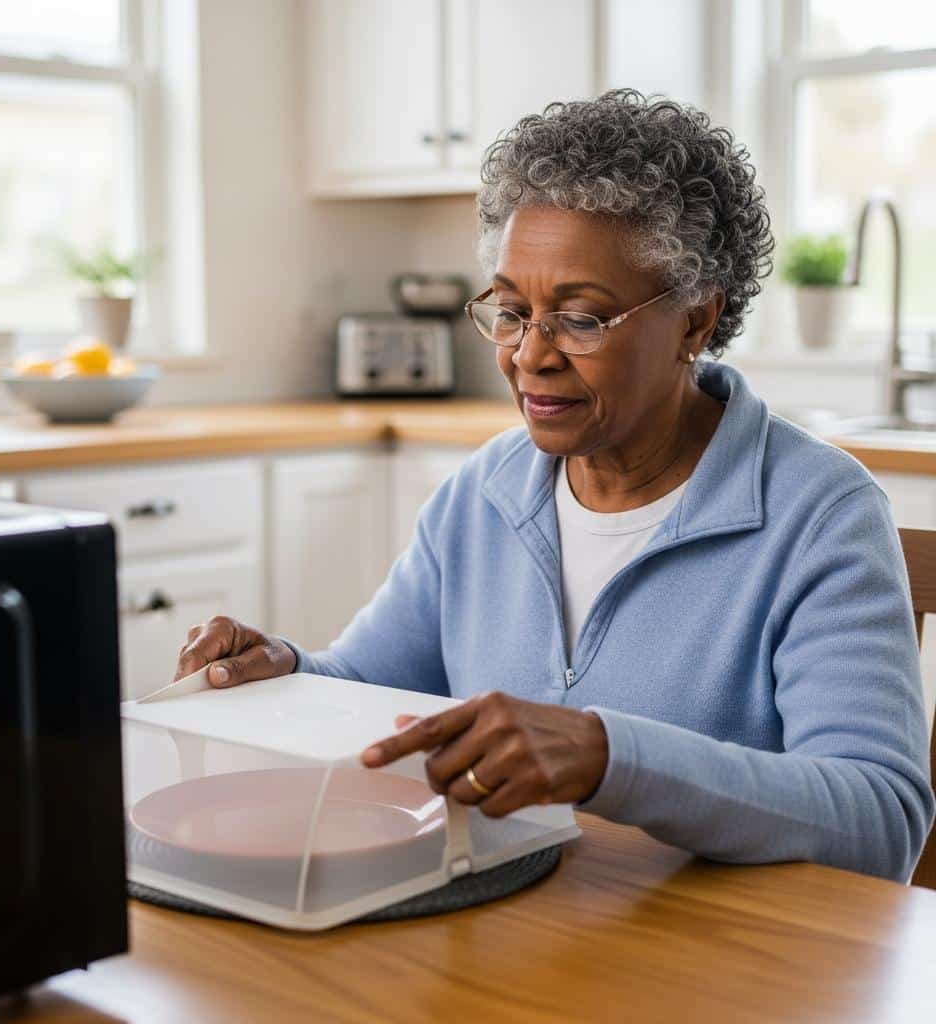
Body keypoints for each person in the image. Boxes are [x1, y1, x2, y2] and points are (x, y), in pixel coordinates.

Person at [174, 91, 934, 882]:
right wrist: (282, 667)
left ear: (694, 322)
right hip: (518, 934)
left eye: (580, 318)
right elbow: (367, 685)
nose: (528, 355)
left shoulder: (821, 515)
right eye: (510, 310)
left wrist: (610, 756)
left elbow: (878, 818)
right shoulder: (485, 493)